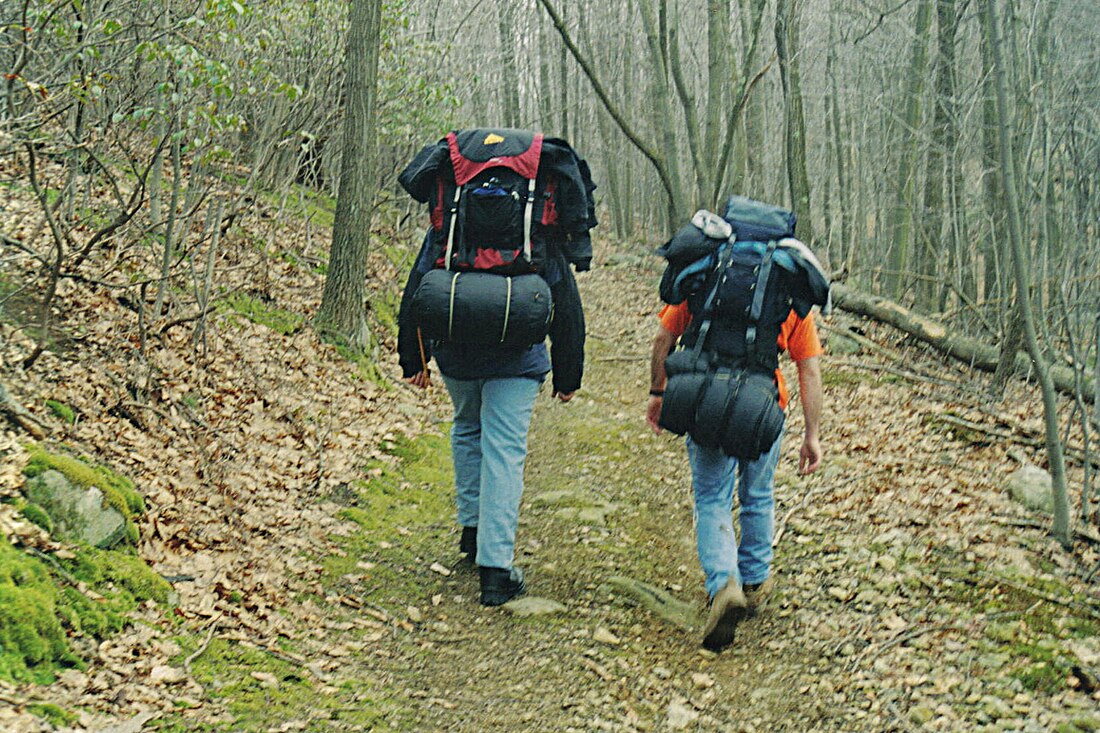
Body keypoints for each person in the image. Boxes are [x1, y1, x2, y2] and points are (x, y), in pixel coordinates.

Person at [398, 236, 585, 607]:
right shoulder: (536, 225)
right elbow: (566, 303)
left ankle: (472, 531)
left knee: (468, 427)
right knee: (504, 450)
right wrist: (568, 374)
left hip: (456, 352)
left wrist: (413, 359)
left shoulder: (451, 219)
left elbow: (415, 289)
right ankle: (496, 570)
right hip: (517, 359)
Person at [646, 301, 823, 651]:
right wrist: (812, 435)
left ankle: (725, 583)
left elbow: (662, 339)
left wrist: (657, 392)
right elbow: (810, 370)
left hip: (705, 397)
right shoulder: (790, 292)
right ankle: (755, 583)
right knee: (758, 494)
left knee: (712, 497)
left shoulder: (706, 273)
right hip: (764, 404)